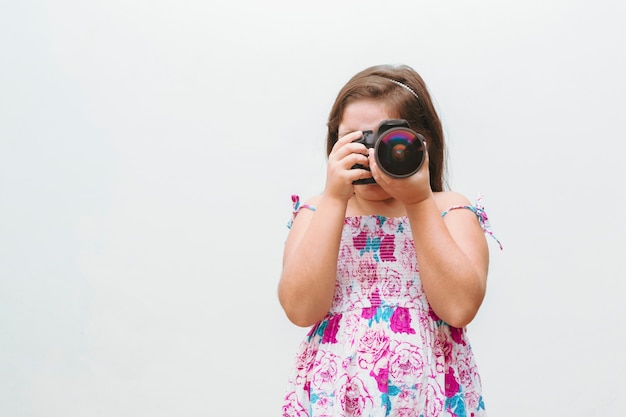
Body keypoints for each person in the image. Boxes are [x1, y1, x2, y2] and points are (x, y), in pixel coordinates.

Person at [278, 64, 501, 417]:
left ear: (420, 143)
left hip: (429, 394)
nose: (369, 154)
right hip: (337, 394)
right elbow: (300, 309)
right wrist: (335, 199)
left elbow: (459, 308)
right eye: (354, 140)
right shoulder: (318, 211)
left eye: (384, 139)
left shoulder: (448, 209)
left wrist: (419, 200)